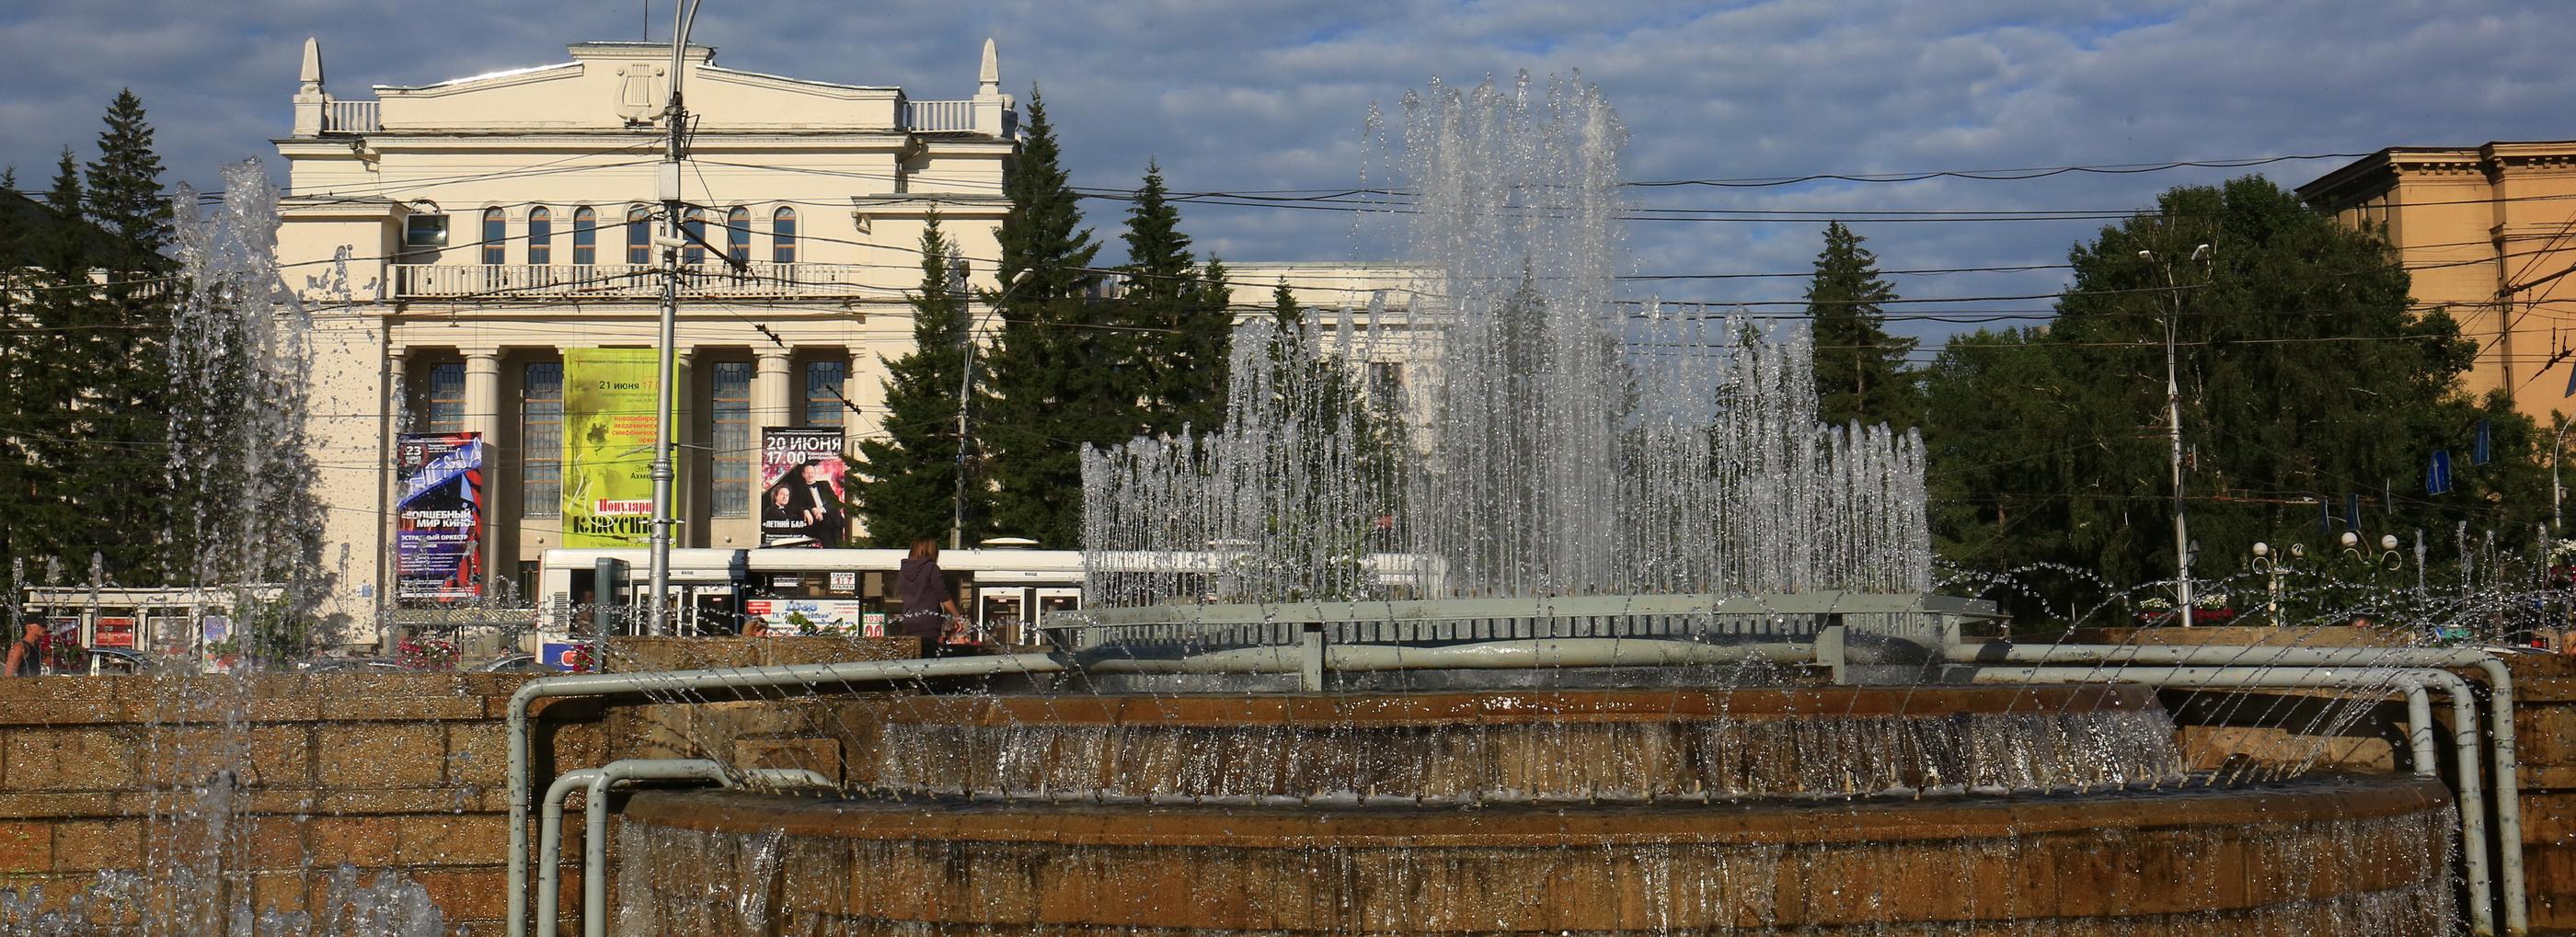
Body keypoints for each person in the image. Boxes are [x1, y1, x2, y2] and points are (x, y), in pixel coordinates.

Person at [893, 537, 962, 653]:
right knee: (931, 658)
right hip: (929, 623)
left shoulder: (903, 571)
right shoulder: (931, 568)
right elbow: (943, 595)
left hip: (909, 622)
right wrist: (957, 616)